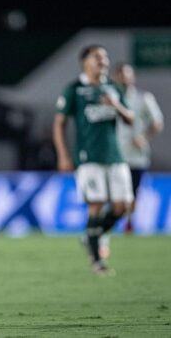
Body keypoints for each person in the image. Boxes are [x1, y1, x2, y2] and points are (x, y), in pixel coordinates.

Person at [52, 45, 134, 275]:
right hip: (88, 158)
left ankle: (90, 235)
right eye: (98, 57)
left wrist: (116, 105)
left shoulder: (113, 88)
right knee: (96, 206)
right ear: (85, 62)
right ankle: (98, 262)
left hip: (115, 155)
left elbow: (131, 119)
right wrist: (63, 155)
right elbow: (59, 123)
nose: (103, 61)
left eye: (105, 57)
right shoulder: (75, 89)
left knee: (123, 206)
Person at [114, 63, 164, 233]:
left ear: (133, 77)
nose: (125, 79)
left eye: (127, 75)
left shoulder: (144, 98)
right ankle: (111, 222)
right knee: (116, 194)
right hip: (115, 155)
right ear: (116, 77)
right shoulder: (110, 99)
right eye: (121, 75)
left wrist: (144, 136)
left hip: (137, 156)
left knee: (133, 193)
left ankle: (129, 222)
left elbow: (157, 122)